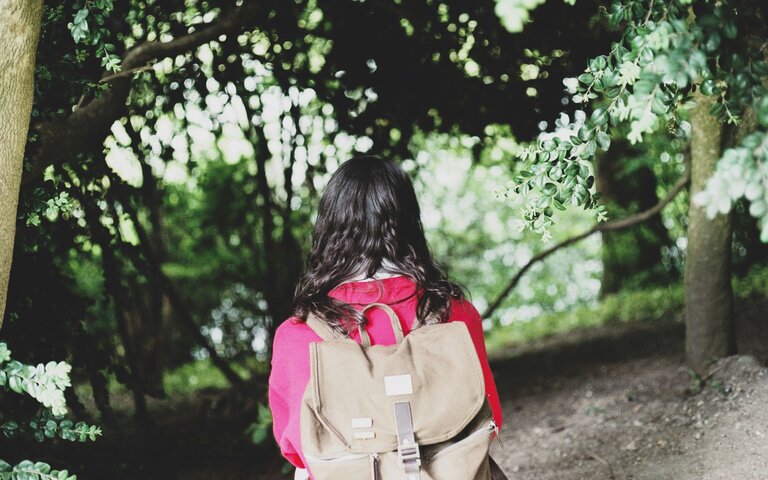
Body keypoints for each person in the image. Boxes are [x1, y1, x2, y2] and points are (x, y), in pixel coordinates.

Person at [268, 154, 503, 479]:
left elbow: (296, 449)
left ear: (328, 226)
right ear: (409, 220)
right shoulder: (455, 313)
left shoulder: (297, 335)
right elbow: (489, 418)